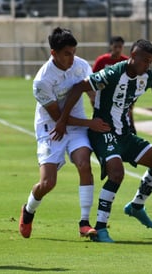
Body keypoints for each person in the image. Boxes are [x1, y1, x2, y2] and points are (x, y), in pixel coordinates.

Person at [53, 39, 152, 243]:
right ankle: (100, 228)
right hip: (103, 132)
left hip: (124, 134)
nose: (148, 66)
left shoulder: (146, 75)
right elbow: (79, 88)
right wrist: (62, 120)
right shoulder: (113, 73)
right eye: (145, 61)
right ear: (133, 57)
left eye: (151, 62)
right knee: (116, 173)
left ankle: (136, 206)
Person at [18, 27, 110, 239]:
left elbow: (91, 94)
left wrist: (98, 109)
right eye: (67, 53)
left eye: (74, 52)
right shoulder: (42, 81)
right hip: (51, 128)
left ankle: (84, 223)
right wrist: (90, 123)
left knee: (84, 164)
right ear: (53, 53)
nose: (72, 58)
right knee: (48, 183)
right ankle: (29, 210)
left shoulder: (81, 66)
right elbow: (58, 117)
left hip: (76, 127)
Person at [92, 36, 137, 134]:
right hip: (105, 96)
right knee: (104, 123)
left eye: (120, 47)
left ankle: (131, 133)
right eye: (115, 46)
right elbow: (93, 78)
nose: (117, 49)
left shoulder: (126, 62)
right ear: (111, 46)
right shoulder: (102, 61)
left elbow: (133, 80)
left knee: (127, 117)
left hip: (121, 96)